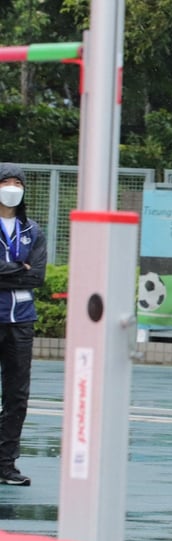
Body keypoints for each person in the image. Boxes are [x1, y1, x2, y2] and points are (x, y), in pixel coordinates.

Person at [0, 163, 46, 486]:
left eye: (18, 182)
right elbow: (25, 271)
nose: (13, 187)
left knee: (17, 395)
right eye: (6, 182)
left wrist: (9, 270)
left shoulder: (33, 231)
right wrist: (19, 267)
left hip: (21, 322)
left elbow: (37, 276)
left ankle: (5, 464)